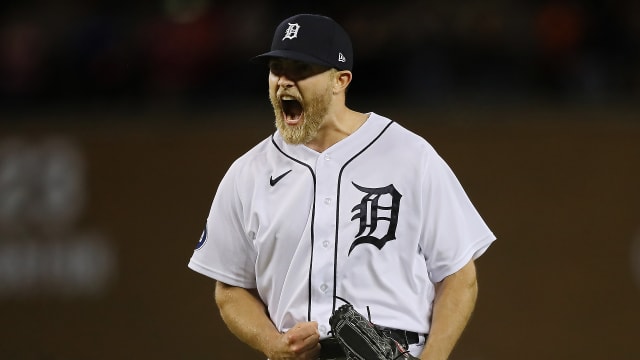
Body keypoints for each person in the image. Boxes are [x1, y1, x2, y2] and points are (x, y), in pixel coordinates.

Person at [188, 13, 496, 360]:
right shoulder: (248, 173)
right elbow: (230, 288)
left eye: (300, 69)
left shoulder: (410, 156)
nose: (284, 82)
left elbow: (459, 275)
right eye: (277, 69)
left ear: (340, 80)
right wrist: (272, 343)